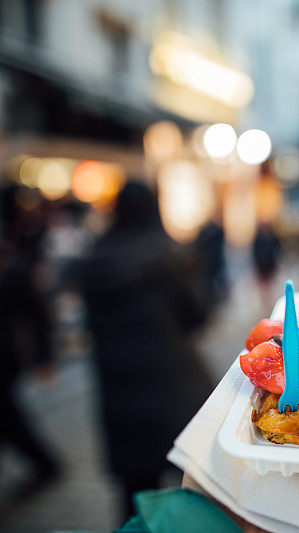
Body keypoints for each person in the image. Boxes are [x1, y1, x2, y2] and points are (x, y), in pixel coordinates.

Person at [77, 182, 213, 517]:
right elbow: (197, 315)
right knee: (192, 486)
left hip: (120, 391)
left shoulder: (95, 258)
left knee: (134, 494)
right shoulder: (166, 257)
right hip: (171, 385)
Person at [0, 184, 60, 500]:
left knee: (7, 413)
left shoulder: (15, 249)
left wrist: (44, 355)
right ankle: (45, 464)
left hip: (4, 350)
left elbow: (33, 308)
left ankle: (46, 464)